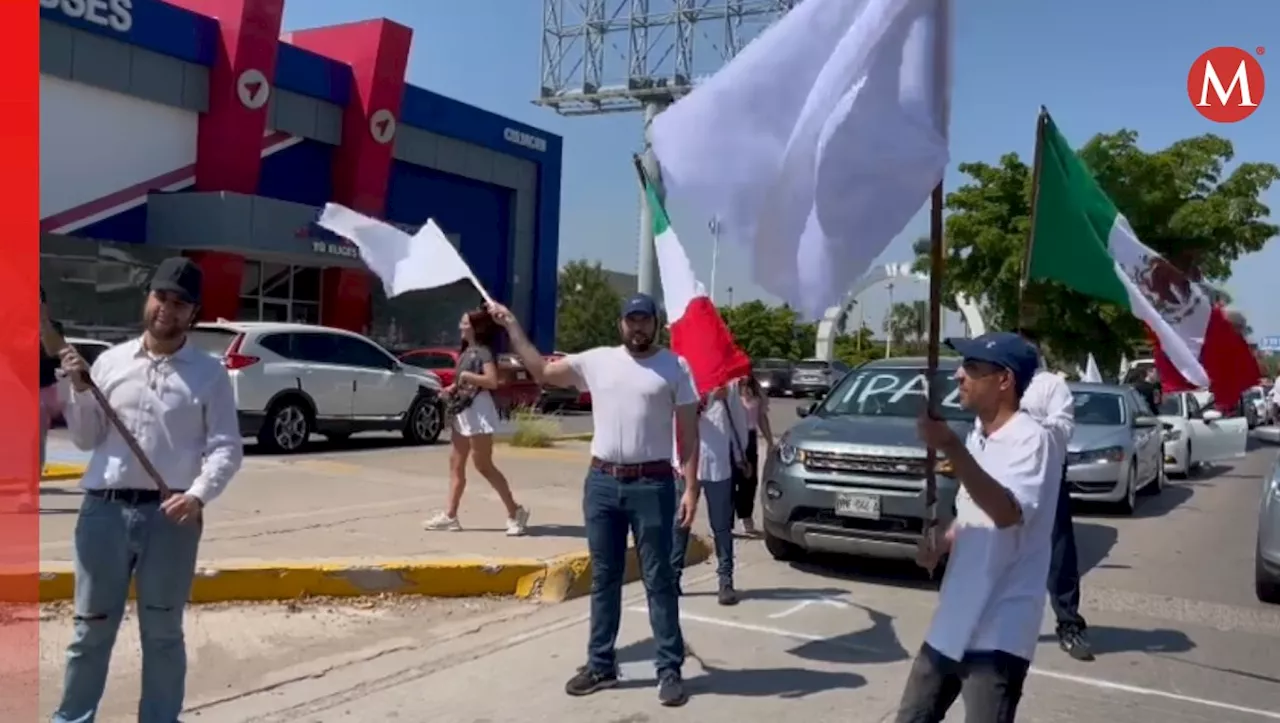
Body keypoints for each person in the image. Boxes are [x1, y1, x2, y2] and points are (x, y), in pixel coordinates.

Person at [52, 258, 243, 723]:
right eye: (161, 297)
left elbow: (226, 447)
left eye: (180, 303)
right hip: (104, 513)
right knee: (90, 630)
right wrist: (78, 391)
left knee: (162, 633)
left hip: (171, 518)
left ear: (193, 313)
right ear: (148, 298)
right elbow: (84, 439)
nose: (167, 309)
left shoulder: (209, 373)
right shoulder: (112, 362)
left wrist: (197, 495)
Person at [489, 293, 700, 707]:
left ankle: (669, 668)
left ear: (656, 323)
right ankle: (601, 664)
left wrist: (691, 488)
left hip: (654, 484)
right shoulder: (597, 360)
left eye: (644, 320)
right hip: (602, 482)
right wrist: (513, 327)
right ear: (620, 324)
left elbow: (689, 434)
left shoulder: (675, 367)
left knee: (659, 579)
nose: (637, 327)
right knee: (605, 577)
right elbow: (543, 372)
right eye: (630, 320)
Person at [895, 332, 1061, 723]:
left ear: (1004, 380)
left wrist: (952, 447)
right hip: (953, 618)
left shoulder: (1032, 441)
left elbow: (1006, 513)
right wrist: (944, 541)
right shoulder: (979, 436)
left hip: (999, 630)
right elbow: (974, 513)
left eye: (972, 367)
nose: (959, 376)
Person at [423, 307, 530, 536]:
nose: (460, 327)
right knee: (456, 465)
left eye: (464, 323)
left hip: (479, 413)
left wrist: (467, 377)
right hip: (463, 411)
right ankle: (450, 516)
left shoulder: (483, 352)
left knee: (483, 465)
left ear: (475, 327)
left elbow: (491, 381)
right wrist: (450, 389)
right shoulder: (465, 352)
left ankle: (515, 511)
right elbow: (464, 383)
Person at [1019, 329, 1093, 661]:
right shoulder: (998, 384)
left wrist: (1021, 426)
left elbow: (1062, 428)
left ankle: (1069, 624)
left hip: (1045, 480)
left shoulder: (1050, 385)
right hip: (1004, 480)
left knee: (1059, 554)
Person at [672, 378, 749, 606]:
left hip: (718, 463)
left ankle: (726, 580)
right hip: (685, 463)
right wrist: (708, 397)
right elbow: (675, 414)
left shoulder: (730, 383)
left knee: (722, 526)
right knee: (681, 523)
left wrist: (740, 455)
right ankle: (673, 577)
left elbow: (737, 419)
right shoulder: (682, 374)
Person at [735, 376, 774, 534]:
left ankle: (746, 516)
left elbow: (761, 418)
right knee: (730, 480)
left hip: (750, 437)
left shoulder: (757, 393)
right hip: (733, 437)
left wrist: (770, 440)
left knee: (749, 479)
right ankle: (726, 520)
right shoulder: (731, 391)